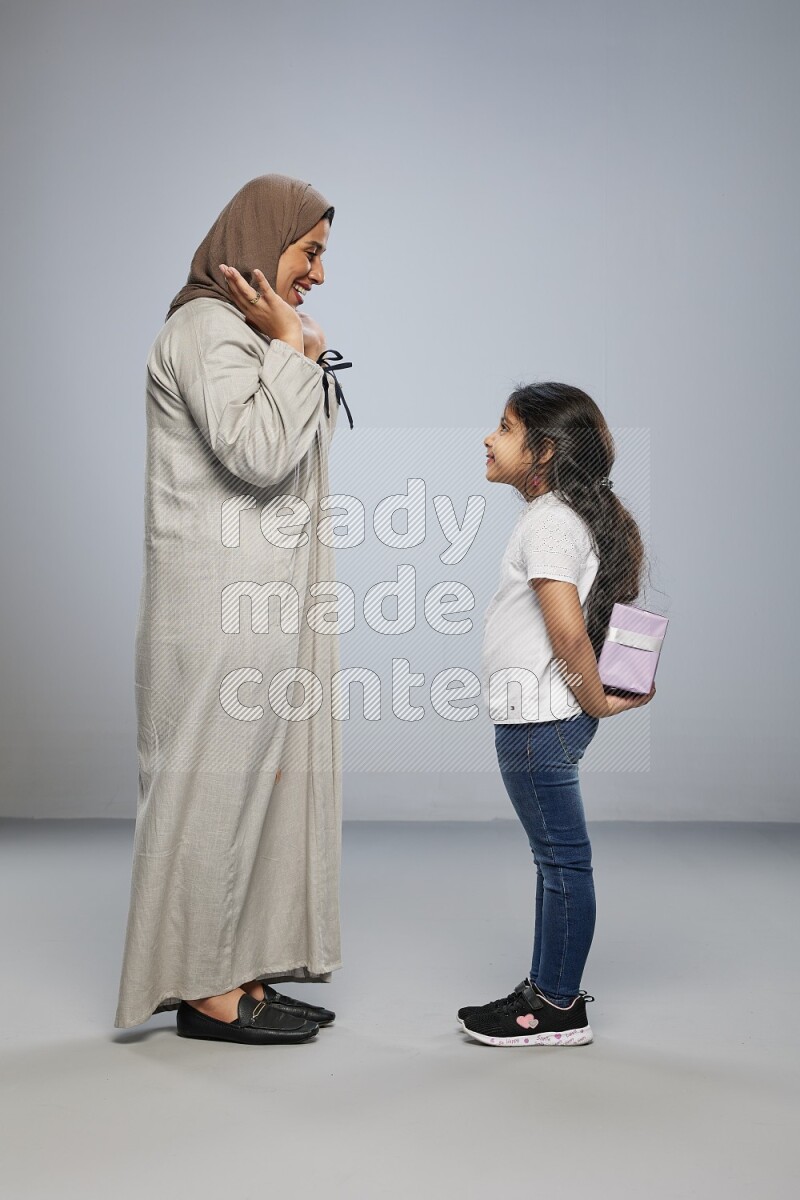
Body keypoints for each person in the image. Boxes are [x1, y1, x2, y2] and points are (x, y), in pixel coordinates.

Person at [114, 174, 353, 1045]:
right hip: (219, 610)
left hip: (257, 603)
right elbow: (255, 453)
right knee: (212, 792)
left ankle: (235, 967)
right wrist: (292, 346)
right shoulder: (206, 330)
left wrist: (292, 346)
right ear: (262, 242)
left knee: (260, 787)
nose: (319, 273)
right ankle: (206, 990)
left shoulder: (244, 336)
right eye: (311, 251)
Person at [458, 383, 656, 1047]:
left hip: (538, 722)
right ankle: (547, 988)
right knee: (556, 862)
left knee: (563, 863)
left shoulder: (549, 522)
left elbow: (568, 633)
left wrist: (595, 697)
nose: (490, 437)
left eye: (506, 427)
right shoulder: (561, 516)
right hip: (542, 719)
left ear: (542, 452)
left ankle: (557, 1007)